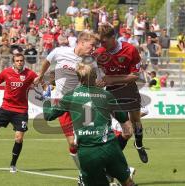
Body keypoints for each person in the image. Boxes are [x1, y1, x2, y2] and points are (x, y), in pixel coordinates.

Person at [43, 61, 135, 186]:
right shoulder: (107, 95)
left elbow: (48, 116)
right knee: (128, 182)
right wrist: (119, 144)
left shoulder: (71, 96)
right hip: (110, 147)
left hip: (88, 151)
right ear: (95, 77)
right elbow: (127, 127)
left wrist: (46, 100)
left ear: (79, 79)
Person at [34, 31, 99, 184]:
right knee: (72, 144)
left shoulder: (91, 62)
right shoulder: (60, 51)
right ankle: (84, 173)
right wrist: (40, 75)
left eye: (95, 46)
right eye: (92, 45)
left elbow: (95, 81)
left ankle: (99, 170)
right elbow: (47, 61)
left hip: (80, 104)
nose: (93, 49)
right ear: (81, 43)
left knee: (87, 140)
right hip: (61, 103)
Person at [94, 24, 148, 163]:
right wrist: (98, 80)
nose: (102, 44)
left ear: (113, 38)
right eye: (100, 41)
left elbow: (135, 76)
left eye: (104, 41)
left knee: (136, 120)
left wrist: (111, 79)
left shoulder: (130, 50)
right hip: (112, 92)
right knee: (126, 129)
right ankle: (113, 158)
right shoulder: (99, 52)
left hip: (129, 88)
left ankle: (139, 145)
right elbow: (94, 71)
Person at [0, 53, 38, 173]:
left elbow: (38, 81)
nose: (19, 62)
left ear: (23, 61)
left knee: (19, 138)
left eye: (21, 60)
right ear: (13, 62)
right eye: (17, 61)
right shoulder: (6, 72)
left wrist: (46, 88)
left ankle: (13, 165)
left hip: (21, 111)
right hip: (5, 108)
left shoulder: (30, 73)